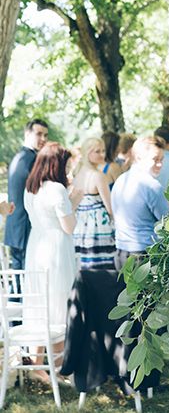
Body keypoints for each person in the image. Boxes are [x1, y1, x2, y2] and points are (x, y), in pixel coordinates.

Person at [24, 142, 83, 358]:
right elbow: (69, 226)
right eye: (66, 167)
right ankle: (57, 362)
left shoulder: (30, 187)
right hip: (56, 248)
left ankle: (37, 360)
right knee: (59, 300)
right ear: (56, 165)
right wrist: (75, 198)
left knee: (41, 301)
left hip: (37, 244)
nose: (66, 171)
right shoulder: (57, 189)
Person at [111, 136, 169, 268]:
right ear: (138, 158)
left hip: (121, 253)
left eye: (162, 159)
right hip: (145, 256)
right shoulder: (151, 185)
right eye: (155, 159)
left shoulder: (120, 180)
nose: (160, 164)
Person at [5, 118, 49, 270]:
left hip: (14, 224)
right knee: (25, 276)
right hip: (25, 225)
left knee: (18, 278)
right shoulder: (32, 159)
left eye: (45, 135)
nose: (43, 139)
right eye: (39, 134)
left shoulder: (18, 157)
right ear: (27, 134)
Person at [71, 138, 115, 270]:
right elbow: (110, 207)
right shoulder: (98, 176)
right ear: (88, 153)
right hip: (98, 227)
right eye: (98, 151)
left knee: (84, 267)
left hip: (80, 226)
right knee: (103, 269)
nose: (102, 155)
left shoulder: (77, 174)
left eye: (103, 151)